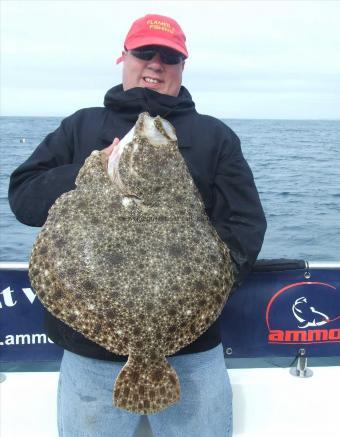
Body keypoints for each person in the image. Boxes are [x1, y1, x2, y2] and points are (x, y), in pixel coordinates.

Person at [8, 14, 266, 437]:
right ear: (123, 57)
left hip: (192, 352)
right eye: (145, 52)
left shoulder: (215, 137)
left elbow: (245, 224)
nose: (155, 64)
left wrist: (197, 291)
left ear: (182, 67)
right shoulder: (81, 126)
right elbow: (23, 198)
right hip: (87, 354)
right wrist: (86, 171)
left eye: (169, 57)